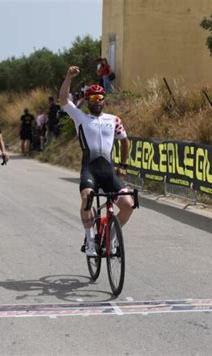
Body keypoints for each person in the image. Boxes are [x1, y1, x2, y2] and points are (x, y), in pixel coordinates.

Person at [59, 65, 133, 257]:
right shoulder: (81, 118)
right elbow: (63, 100)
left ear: (104, 100)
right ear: (88, 100)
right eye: (92, 98)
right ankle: (90, 239)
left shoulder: (114, 120)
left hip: (108, 171)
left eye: (100, 98)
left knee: (128, 204)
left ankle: (111, 236)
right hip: (89, 169)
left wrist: (123, 165)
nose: (97, 101)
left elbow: (124, 142)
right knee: (86, 199)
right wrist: (68, 77)